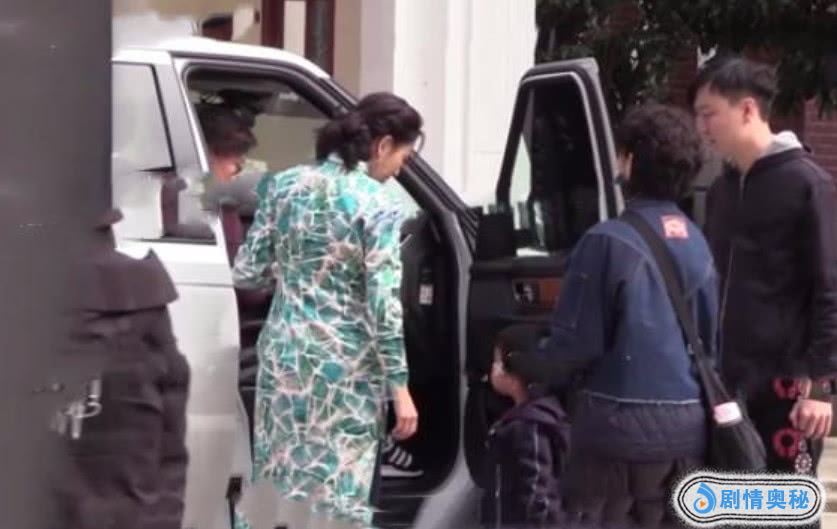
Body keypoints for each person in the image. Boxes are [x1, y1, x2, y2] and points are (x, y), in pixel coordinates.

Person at [231, 92, 422, 528]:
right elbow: (383, 305)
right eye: (403, 157)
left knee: (279, 493)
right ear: (382, 146)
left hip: (284, 361)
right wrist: (400, 388)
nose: (400, 169)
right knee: (339, 498)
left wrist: (294, 272)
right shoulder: (378, 204)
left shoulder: (284, 185)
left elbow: (246, 272)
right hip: (344, 372)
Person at [539, 103, 715, 528]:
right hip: (687, 430)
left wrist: (528, 363)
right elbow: (711, 345)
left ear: (631, 162)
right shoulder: (698, 243)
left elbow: (575, 345)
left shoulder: (604, 242)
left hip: (614, 432)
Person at [692, 56, 837, 480]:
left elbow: (829, 288)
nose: (701, 128)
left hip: (787, 388)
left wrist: (821, 386)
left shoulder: (807, 183)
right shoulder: (720, 191)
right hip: (725, 385)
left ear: (747, 109)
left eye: (708, 114)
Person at [481, 325, 568, 529]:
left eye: (497, 361)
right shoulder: (522, 421)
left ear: (515, 369)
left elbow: (537, 491)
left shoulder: (530, 426)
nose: (492, 368)